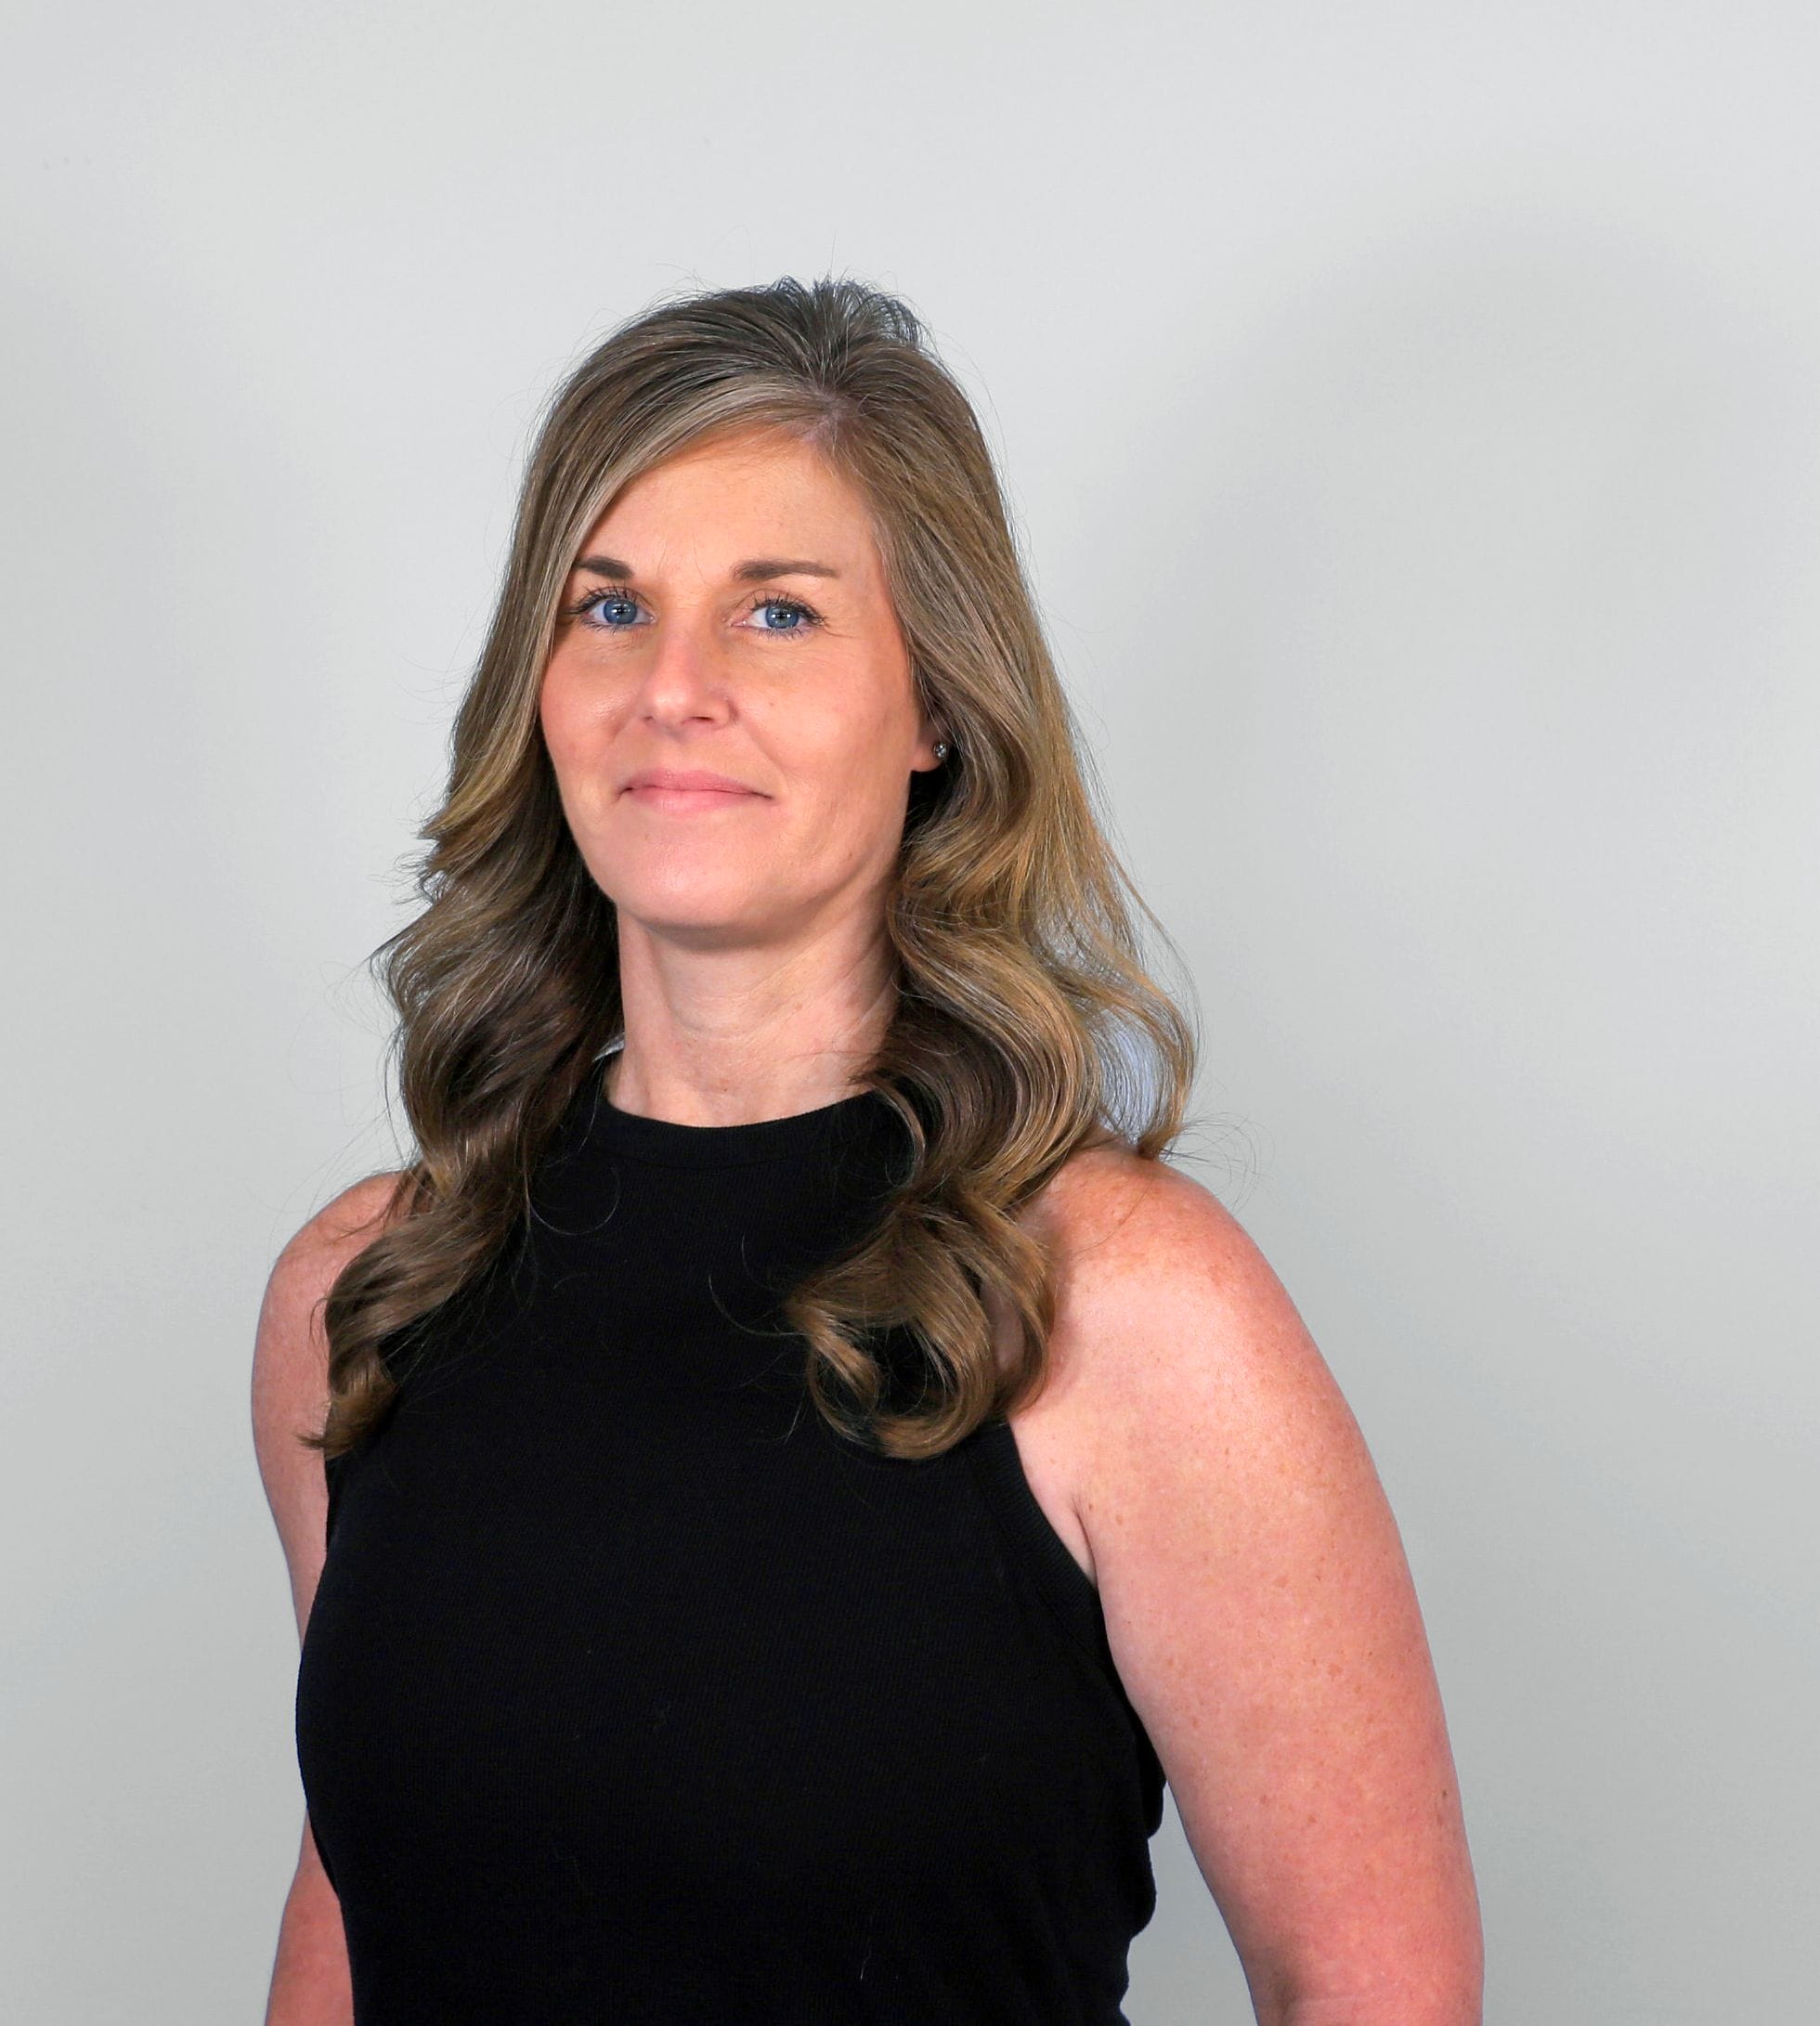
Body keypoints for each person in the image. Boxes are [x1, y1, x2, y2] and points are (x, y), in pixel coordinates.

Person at [251, 278, 1483, 2024]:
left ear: (935, 710)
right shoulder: (368, 1294)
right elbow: (363, 1892)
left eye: (776, 613)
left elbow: (1379, 1994)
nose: (672, 689)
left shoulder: (1125, 1306)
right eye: (608, 607)